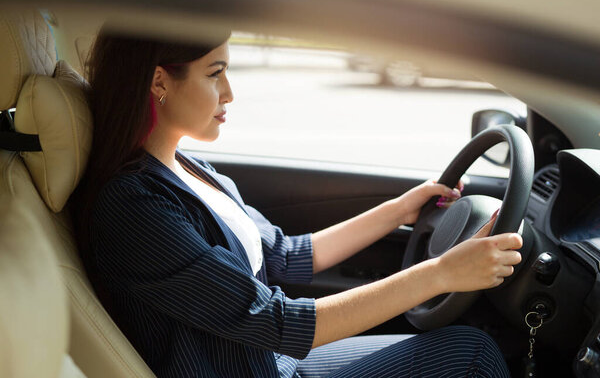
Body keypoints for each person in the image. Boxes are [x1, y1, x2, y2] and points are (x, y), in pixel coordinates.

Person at [70, 27, 522, 378]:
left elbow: (285, 254)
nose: (229, 93)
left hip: (270, 363)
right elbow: (276, 322)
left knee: (468, 342)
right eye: (214, 73)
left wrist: (399, 211)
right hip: (258, 365)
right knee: (472, 355)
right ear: (158, 82)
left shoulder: (188, 166)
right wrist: (440, 274)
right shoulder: (135, 206)